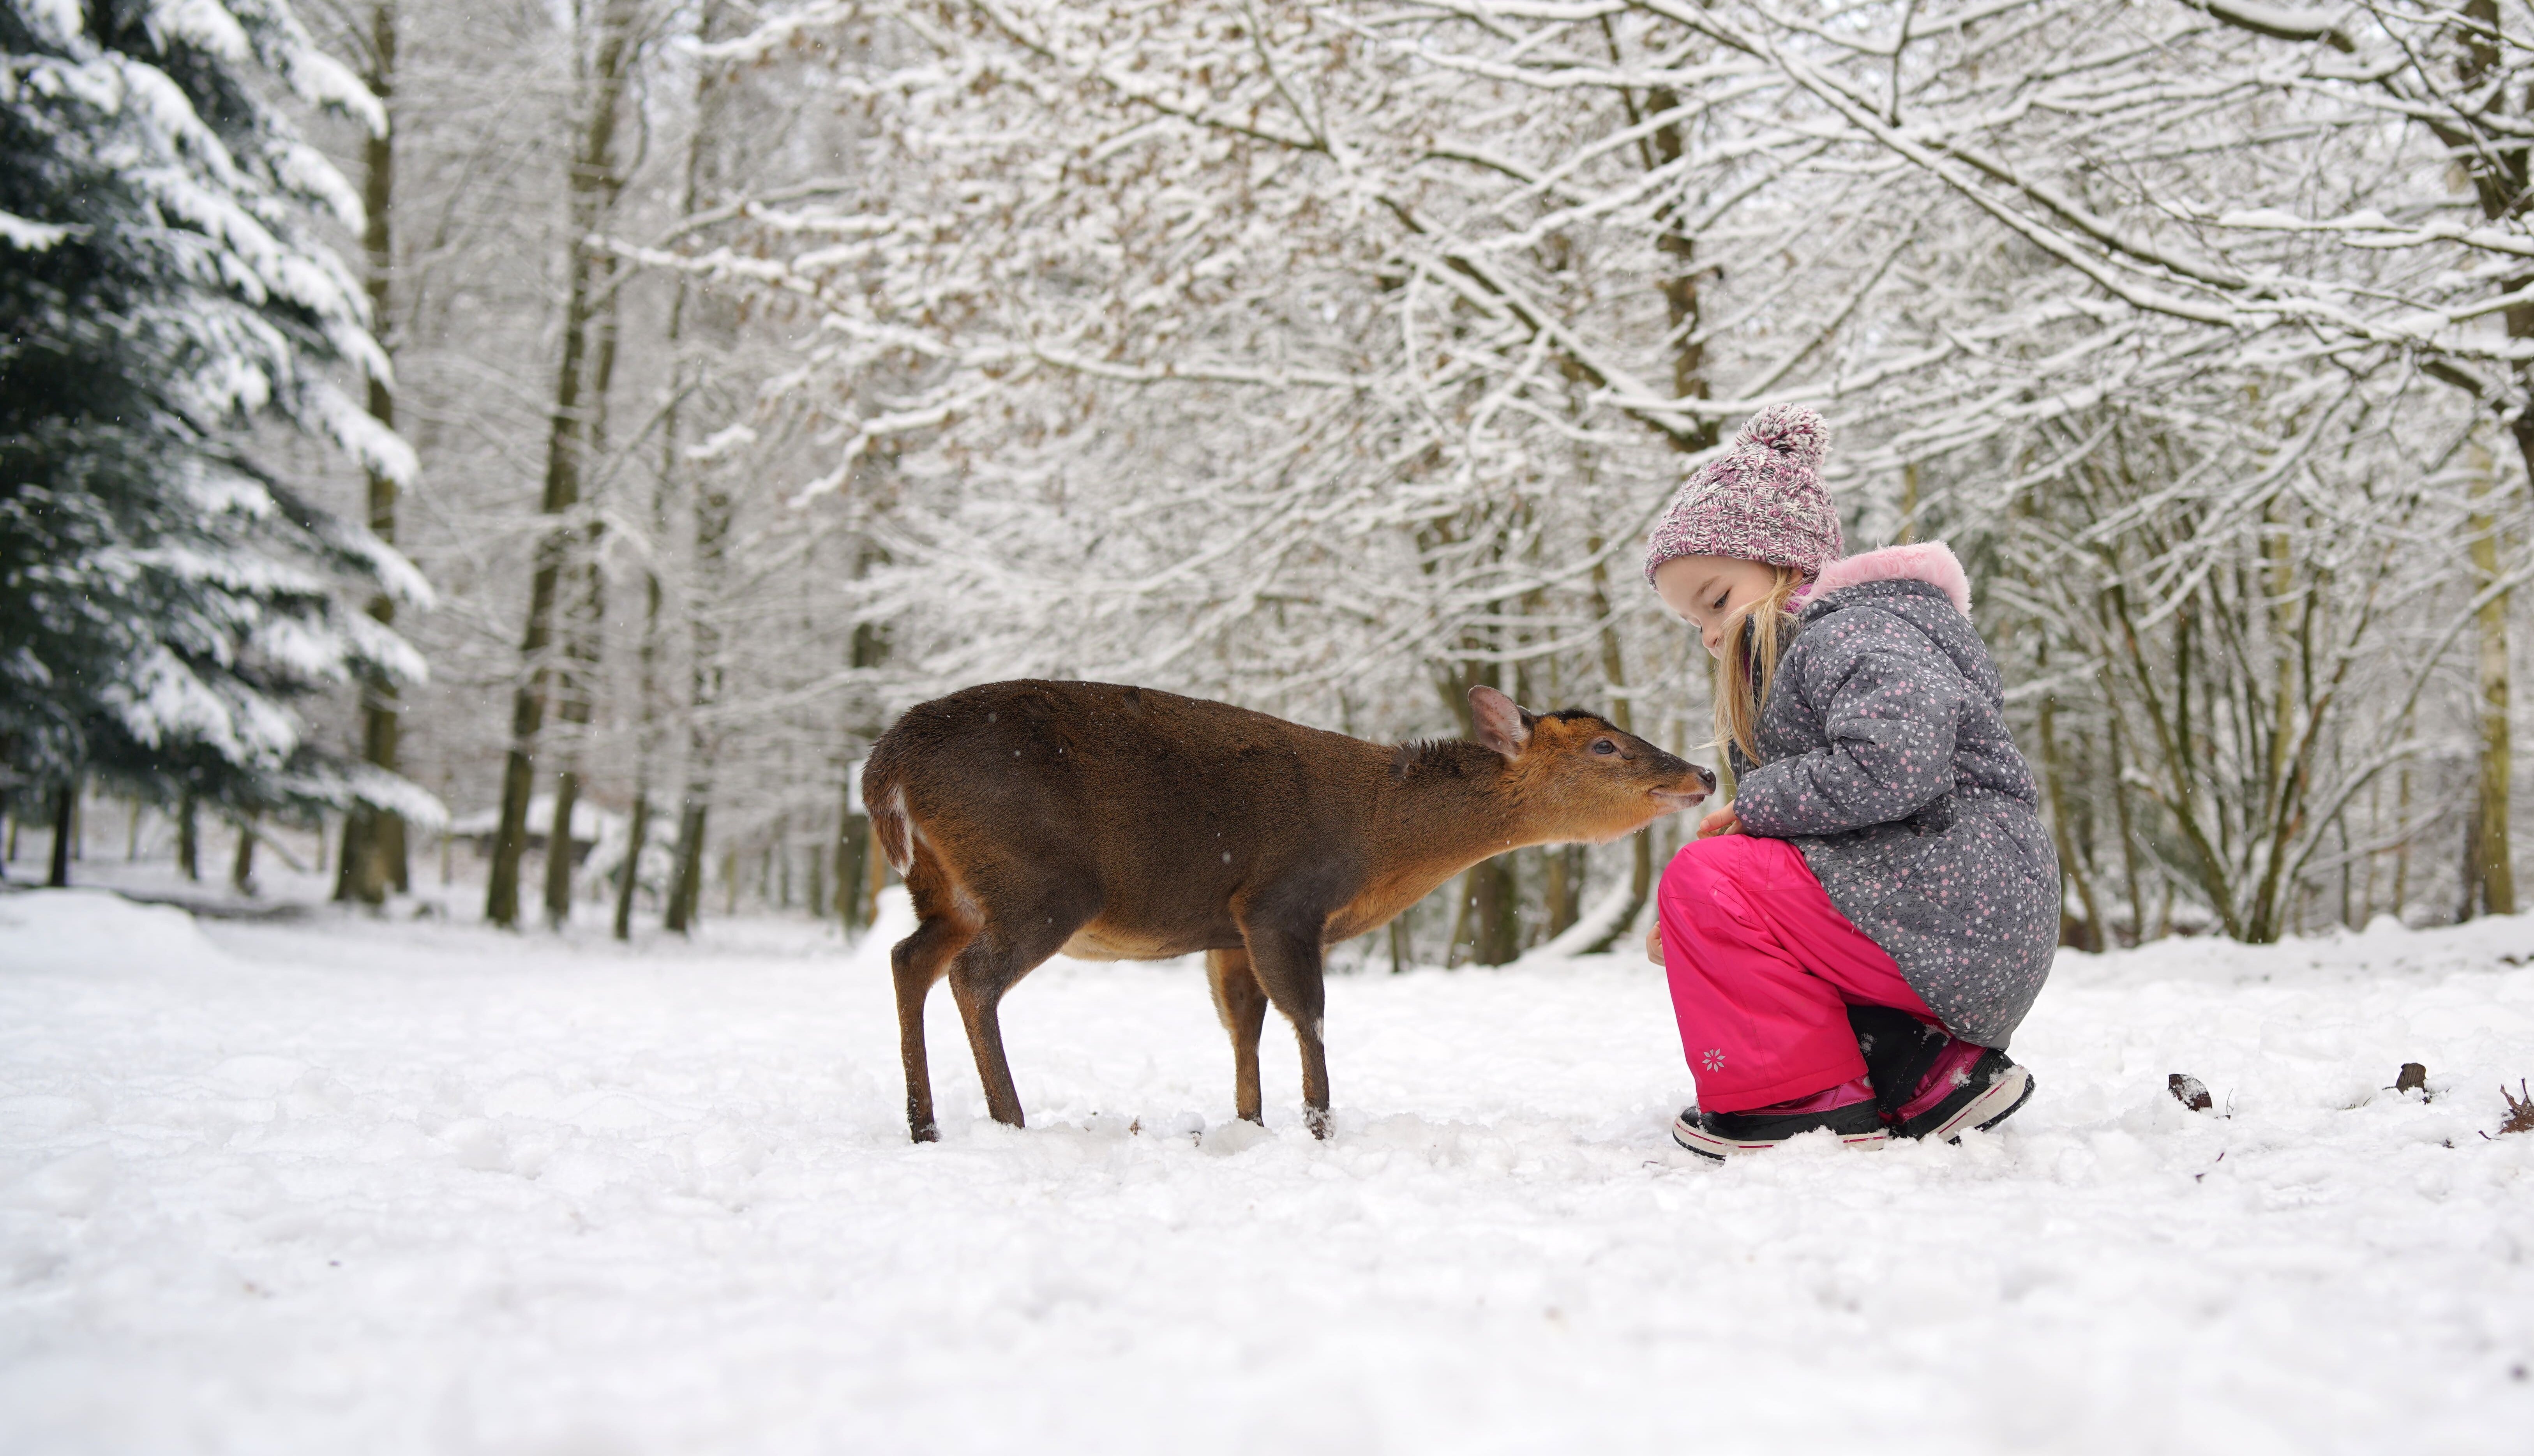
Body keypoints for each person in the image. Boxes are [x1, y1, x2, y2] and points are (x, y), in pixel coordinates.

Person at [1640, 404, 2057, 1158]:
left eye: (1716, 600)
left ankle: (1799, 1101)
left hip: (1953, 908)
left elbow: (1896, 763)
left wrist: (1756, 813)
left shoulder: (1851, 634)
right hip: (1955, 921)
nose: (1707, 633)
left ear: (1787, 567)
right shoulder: (1847, 644)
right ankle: (1920, 1068)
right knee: (1713, 889)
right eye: (1689, 622)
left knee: (1706, 872)